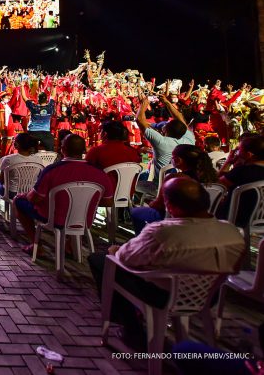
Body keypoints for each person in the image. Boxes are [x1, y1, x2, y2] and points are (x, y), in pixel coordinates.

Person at [88, 177, 244, 349]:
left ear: (171, 206)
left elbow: (126, 258)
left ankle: (132, 330)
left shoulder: (163, 232)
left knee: (102, 261)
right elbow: (234, 268)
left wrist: (114, 251)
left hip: (164, 295)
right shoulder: (232, 232)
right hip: (208, 295)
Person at [14, 134, 111, 252]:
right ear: (84, 151)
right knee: (75, 208)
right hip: (84, 220)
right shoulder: (100, 173)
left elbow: (35, 199)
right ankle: (70, 244)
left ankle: (36, 245)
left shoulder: (52, 170)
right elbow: (107, 202)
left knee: (18, 201)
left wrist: (24, 195)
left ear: (62, 149)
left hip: (53, 219)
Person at [130, 144, 217, 234]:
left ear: (178, 160)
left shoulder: (175, 178)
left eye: (173, 157)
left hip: (175, 219)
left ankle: (142, 240)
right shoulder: (212, 177)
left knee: (135, 212)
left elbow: (159, 205)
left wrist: (150, 204)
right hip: (205, 219)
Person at [0, 133, 39, 221]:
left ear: (16, 145)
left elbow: (1, 180)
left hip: (12, 192)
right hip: (30, 192)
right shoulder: (38, 159)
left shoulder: (8, 159)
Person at [215, 134, 264, 225]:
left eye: (239, 150)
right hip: (259, 220)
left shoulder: (242, 171)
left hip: (238, 219)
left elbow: (217, 186)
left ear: (249, 155)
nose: (237, 153)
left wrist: (229, 162)